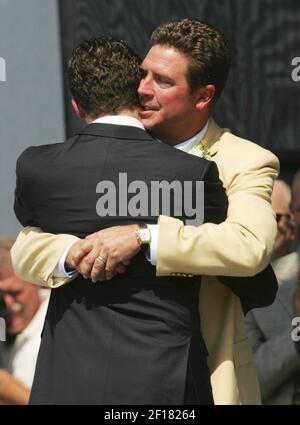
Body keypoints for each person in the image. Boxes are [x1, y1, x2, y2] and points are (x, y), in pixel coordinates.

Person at [11, 19, 279, 404]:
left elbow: (250, 246)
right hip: (84, 374)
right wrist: (70, 253)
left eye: (163, 81)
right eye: (143, 74)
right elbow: (27, 244)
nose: (143, 89)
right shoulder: (105, 150)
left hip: (202, 375)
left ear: (203, 97)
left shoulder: (246, 160)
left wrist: (143, 235)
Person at [245, 180, 300, 404]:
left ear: (292, 223)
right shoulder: (244, 289)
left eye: (273, 217)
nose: (261, 226)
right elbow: (249, 381)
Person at [0, 238, 49, 404]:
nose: (8, 304)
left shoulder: (62, 327)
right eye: (0, 296)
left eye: (15, 293)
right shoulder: (3, 327)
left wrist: (5, 387)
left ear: (36, 282)